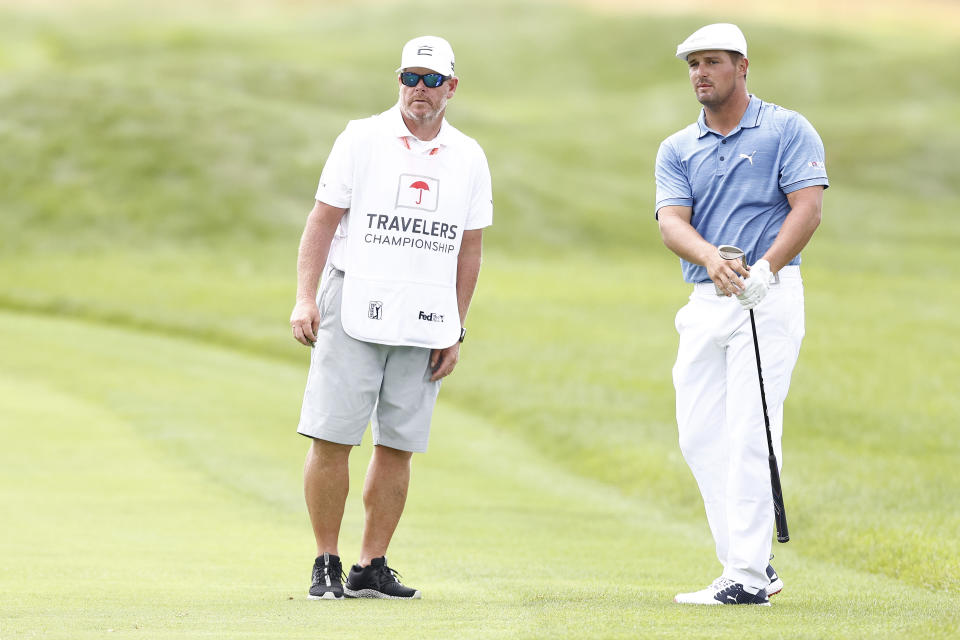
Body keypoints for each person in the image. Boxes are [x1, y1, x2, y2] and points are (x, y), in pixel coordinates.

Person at [289, 35, 492, 600]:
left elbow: (468, 247)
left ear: (452, 86)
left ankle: (371, 564)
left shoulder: (469, 155)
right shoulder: (363, 137)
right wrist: (306, 298)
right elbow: (322, 220)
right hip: (354, 299)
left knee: (399, 443)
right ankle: (325, 559)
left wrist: (457, 325)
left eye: (431, 80)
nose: (419, 90)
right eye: (410, 77)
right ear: (398, 80)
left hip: (426, 314)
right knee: (333, 435)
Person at [654, 23, 828, 606]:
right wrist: (712, 260)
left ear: (742, 66)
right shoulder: (678, 146)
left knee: (752, 432)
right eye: (693, 64)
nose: (700, 73)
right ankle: (752, 563)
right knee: (699, 435)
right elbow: (673, 221)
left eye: (711, 62)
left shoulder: (786, 128)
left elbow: (808, 208)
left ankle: (748, 580)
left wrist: (766, 270)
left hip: (768, 298)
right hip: (708, 299)